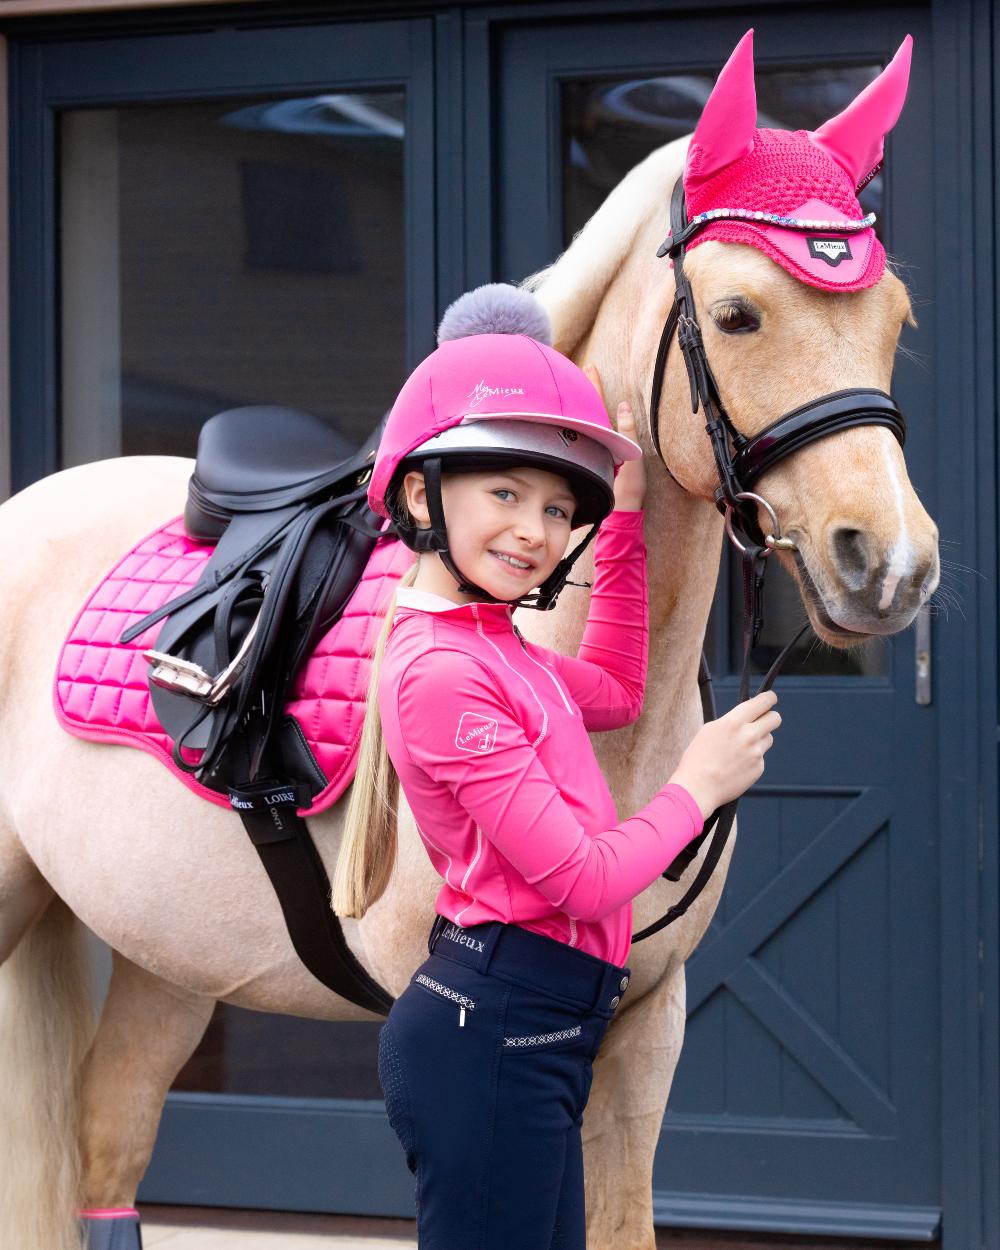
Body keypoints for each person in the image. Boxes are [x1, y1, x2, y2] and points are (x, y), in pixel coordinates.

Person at [331, 283, 780, 1250]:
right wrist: (695, 784)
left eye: (554, 507)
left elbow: (617, 688)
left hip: (534, 1031)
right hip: (491, 1033)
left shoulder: (503, 648)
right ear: (420, 494)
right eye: (503, 493)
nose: (534, 531)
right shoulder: (446, 673)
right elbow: (580, 878)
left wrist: (616, 526)